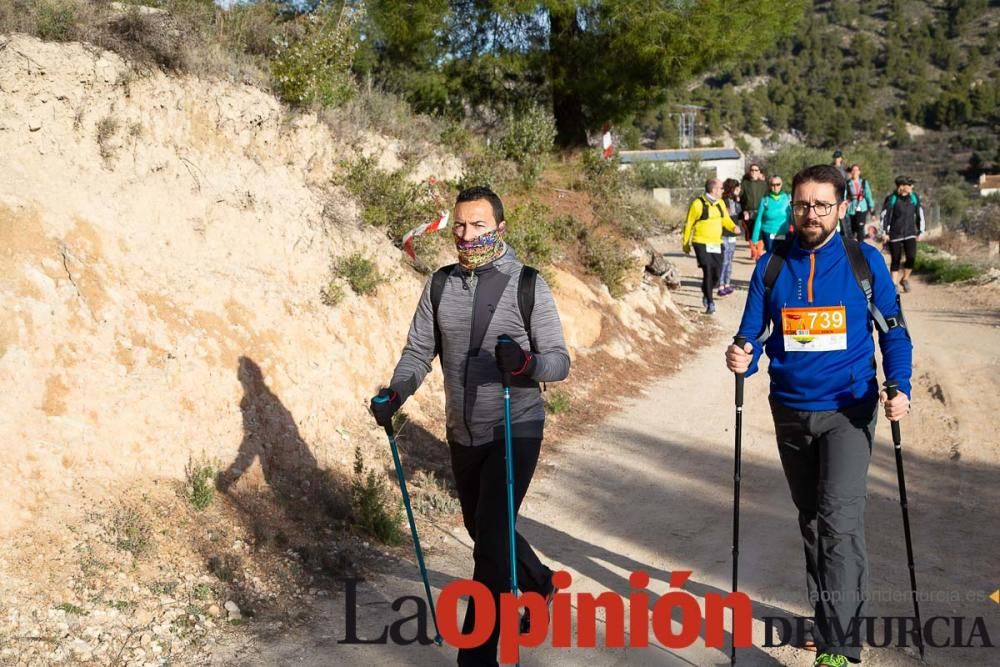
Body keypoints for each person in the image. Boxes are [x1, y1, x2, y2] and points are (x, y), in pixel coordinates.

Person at [369, 186, 570, 667]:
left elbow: (559, 362)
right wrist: (396, 393)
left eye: (478, 225)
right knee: (484, 531)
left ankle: (475, 657)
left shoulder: (528, 284)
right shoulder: (440, 284)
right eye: (460, 225)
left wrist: (522, 363)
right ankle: (539, 582)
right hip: (463, 430)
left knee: (490, 550)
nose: (466, 234)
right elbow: (419, 352)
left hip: (514, 425)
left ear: (500, 228)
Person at [726, 165, 913, 667]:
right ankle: (827, 618)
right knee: (812, 520)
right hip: (789, 410)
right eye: (803, 205)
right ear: (792, 207)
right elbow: (753, 333)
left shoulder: (863, 263)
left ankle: (839, 647)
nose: (811, 214)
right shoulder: (772, 266)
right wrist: (743, 353)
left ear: (842, 207)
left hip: (848, 412)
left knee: (840, 523)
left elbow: (893, 333)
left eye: (822, 205)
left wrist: (901, 387)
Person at [683, 178, 738, 314]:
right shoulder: (698, 204)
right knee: (707, 270)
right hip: (701, 242)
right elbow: (689, 223)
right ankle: (710, 302)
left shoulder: (720, 203)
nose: (723, 190)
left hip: (717, 243)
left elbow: (725, 220)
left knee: (716, 275)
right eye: (721, 188)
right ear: (714, 190)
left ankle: (705, 289)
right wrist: (685, 243)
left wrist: (733, 227)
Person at [880, 176, 925, 293]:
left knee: (911, 257)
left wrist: (921, 230)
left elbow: (920, 214)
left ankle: (904, 279)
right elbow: (884, 216)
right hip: (894, 234)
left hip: (910, 232)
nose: (911, 187)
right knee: (896, 259)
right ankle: (893, 284)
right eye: (909, 185)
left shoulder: (914, 198)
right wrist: (884, 232)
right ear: (901, 186)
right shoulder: (892, 199)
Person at [751, 175, 792, 253]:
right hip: (768, 233)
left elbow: (792, 217)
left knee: (783, 256)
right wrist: (755, 238)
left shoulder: (787, 198)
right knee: (771, 256)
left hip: (784, 233)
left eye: (778, 184)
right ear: (769, 185)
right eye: (772, 185)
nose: (775, 187)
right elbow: (759, 219)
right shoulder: (765, 200)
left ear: (781, 184)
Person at [719, 178, 743, 296]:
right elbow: (725, 216)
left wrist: (738, 200)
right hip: (723, 233)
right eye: (737, 187)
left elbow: (738, 214)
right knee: (724, 260)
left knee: (730, 259)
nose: (739, 190)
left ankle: (727, 284)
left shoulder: (735, 200)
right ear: (732, 188)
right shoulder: (722, 200)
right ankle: (720, 284)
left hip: (732, 233)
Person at [843, 164, 875, 244]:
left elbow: (868, 195)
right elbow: (844, 196)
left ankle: (861, 247)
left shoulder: (864, 182)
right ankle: (852, 247)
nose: (854, 172)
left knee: (860, 227)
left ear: (859, 172)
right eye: (853, 170)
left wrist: (871, 208)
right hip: (851, 208)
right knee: (852, 229)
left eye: (856, 170)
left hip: (862, 207)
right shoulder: (847, 183)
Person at [740, 163, 768, 250]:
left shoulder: (764, 184)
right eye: (752, 170)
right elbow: (741, 199)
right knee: (751, 233)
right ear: (749, 172)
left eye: (756, 170)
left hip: (761, 212)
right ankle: (754, 252)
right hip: (749, 213)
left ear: (759, 172)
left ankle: (758, 253)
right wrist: (744, 211)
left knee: (760, 234)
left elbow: (767, 197)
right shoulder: (744, 184)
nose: (754, 172)